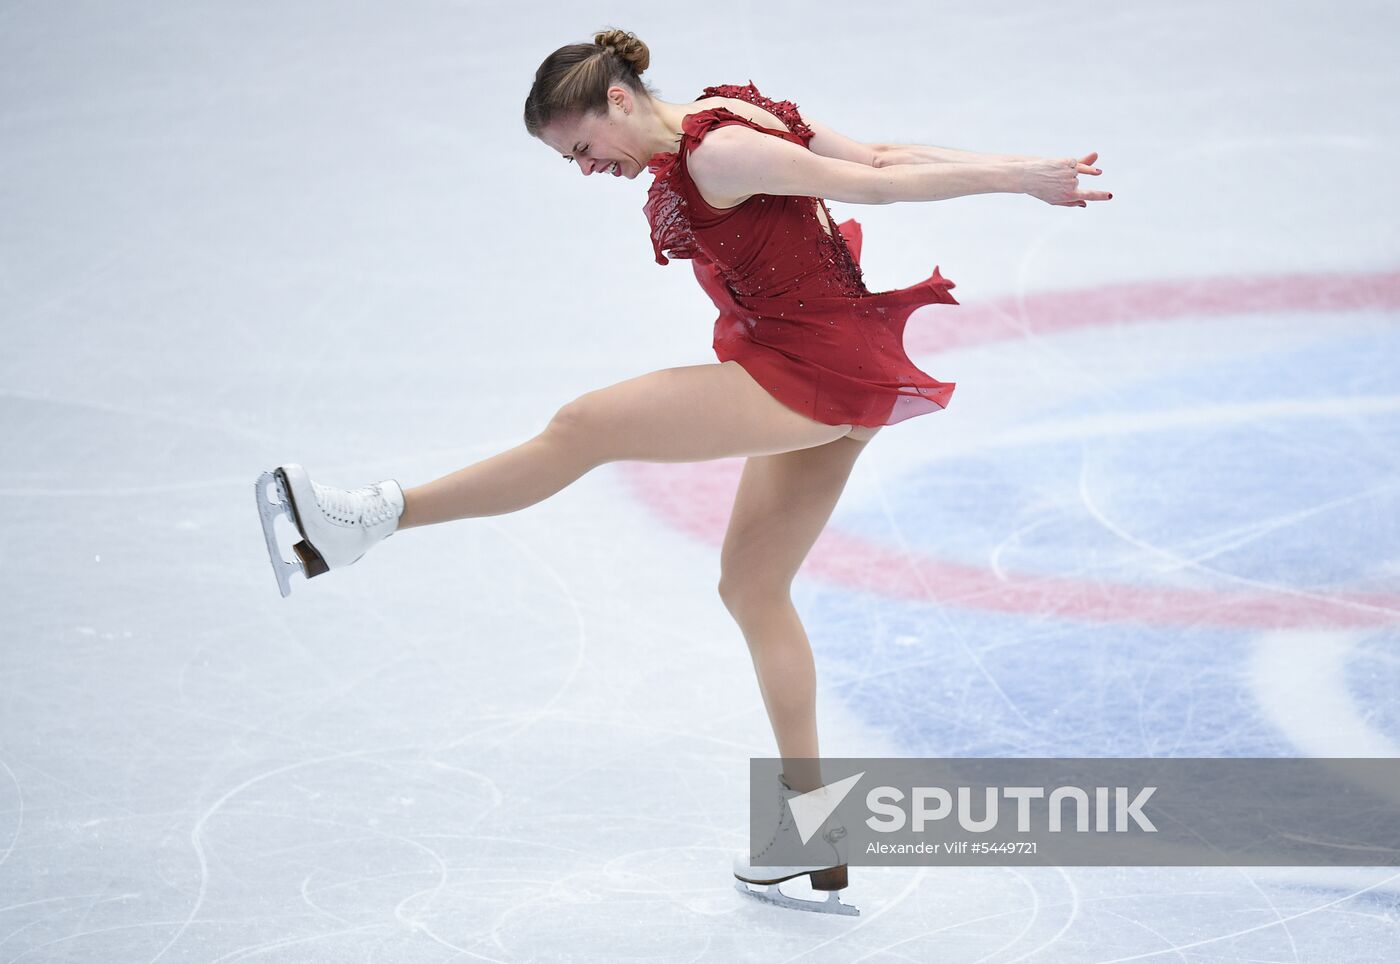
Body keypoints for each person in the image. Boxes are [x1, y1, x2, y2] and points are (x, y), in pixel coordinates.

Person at [254, 26, 1111, 915]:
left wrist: (1020, 177)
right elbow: (881, 154)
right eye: (570, 160)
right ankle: (811, 832)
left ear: (618, 99)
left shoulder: (720, 153)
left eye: (582, 147)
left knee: (583, 426)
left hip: (807, 370)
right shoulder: (727, 110)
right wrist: (1022, 166)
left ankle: (361, 523)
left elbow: (878, 182)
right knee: (753, 588)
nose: (587, 168)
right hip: (839, 365)